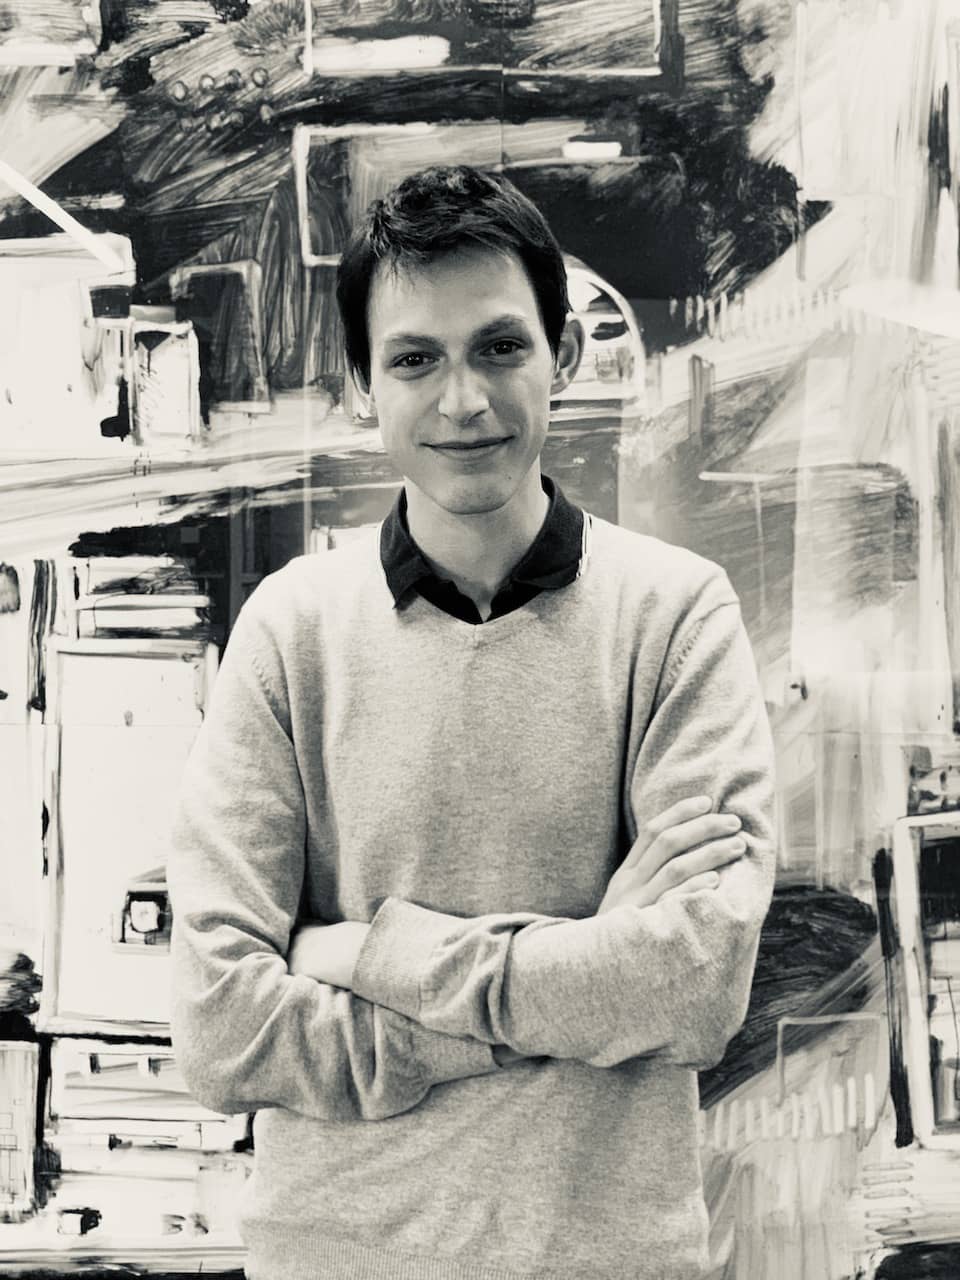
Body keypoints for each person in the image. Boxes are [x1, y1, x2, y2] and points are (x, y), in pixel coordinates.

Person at [167, 164, 777, 1280]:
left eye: (500, 347)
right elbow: (221, 1028)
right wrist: (578, 967)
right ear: (364, 384)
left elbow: (695, 988)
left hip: (607, 1262)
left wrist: (370, 954)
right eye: (415, 359)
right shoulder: (290, 632)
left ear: (563, 355)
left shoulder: (677, 615)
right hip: (337, 1261)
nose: (463, 400)